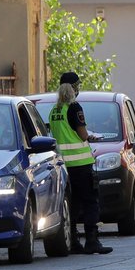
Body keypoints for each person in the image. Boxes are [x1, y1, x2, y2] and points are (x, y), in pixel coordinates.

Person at [48, 72, 112, 255]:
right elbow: (82, 135)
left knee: (73, 203)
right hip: (81, 164)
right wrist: (90, 136)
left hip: (64, 166)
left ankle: (73, 240)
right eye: (78, 86)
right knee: (91, 201)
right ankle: (92, 240)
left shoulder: (55, 110)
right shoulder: (74, 107)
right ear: (74, 88)